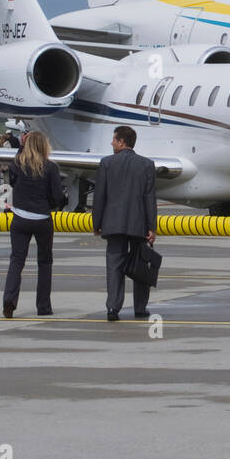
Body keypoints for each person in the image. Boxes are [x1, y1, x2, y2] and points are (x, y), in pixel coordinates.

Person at [92, 125, 158, 320]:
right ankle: (140, 307)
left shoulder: (106, 163)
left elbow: (100, 197)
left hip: (113, 224)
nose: (112, 143)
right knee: (140, 265)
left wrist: (97, 223)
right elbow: (149, 198)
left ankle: (113, 307)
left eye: (114, 139)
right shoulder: (146, 165)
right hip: (138, 224)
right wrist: (152, 227)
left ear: (122, 142)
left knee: (114, 265)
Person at [3, 131, 65, 318]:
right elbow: (57, 197)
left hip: (20, 217)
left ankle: (9, 300)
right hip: (41, 219)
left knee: (17, 260)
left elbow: (12, 181)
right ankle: (43, 306)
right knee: (45, 263)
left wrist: (21, 146)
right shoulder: (51, 168)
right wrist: (53, 203)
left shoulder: (18, 164)